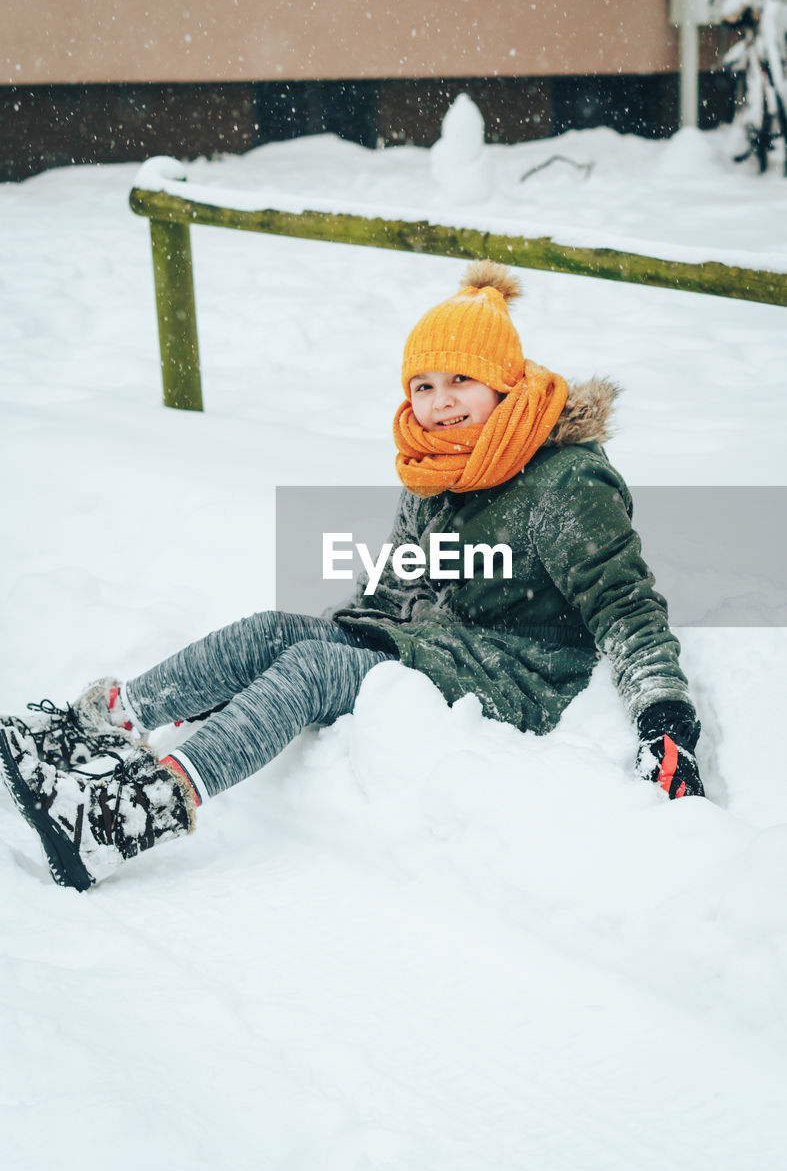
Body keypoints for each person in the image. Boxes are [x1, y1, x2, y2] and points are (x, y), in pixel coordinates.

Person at [0, 261, 704, 891]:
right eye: (424, 385)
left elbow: (627, 608)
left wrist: (664, 719)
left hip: (524, 668)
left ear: (505, 383)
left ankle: (123, 820)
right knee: (275, 633)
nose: (441, 400)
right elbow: (398, 584)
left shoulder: (563, 483)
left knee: (311, 668)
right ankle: (93, 726)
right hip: (442, 641)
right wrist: (330, 639)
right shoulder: (436, 468)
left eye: (461, 380)